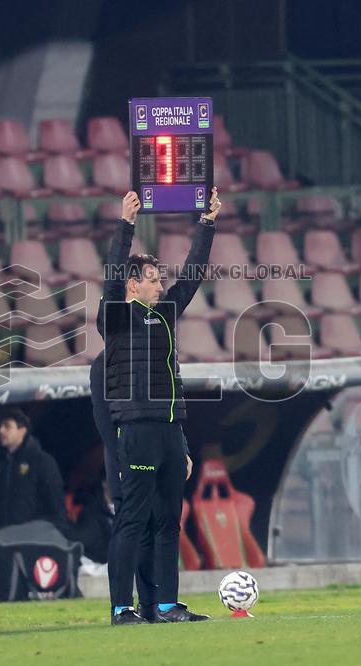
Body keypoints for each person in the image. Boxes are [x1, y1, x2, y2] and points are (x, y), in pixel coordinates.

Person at [99, 188, 220, 625]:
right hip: (137, 431)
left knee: (170, 522)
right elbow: (112, 276)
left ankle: (167, 605)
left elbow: (193, 275)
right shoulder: (114, 313)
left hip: (169, 432)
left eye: (159, 278)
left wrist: (207, 224)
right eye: (152, 278)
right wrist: (125, 224)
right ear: (133, 284)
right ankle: (121, 608)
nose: (161, 283)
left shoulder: (166, 314)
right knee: (131, 521)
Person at [90, 350, 157, 620]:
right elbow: (103, 415)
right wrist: (120, 457)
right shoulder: (107, 361)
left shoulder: (152, 355)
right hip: (124, 453)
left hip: (155, 450)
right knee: (128, 524)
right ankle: (121, 606)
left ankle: (151, 604)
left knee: (152, 525)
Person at [0, 409, 69, 531]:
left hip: (32, 540)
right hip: (0, 540)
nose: (0, 430)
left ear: (22, 431)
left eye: (7, 426)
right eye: (0, 426)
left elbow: (56, 507)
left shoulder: (42, 461)